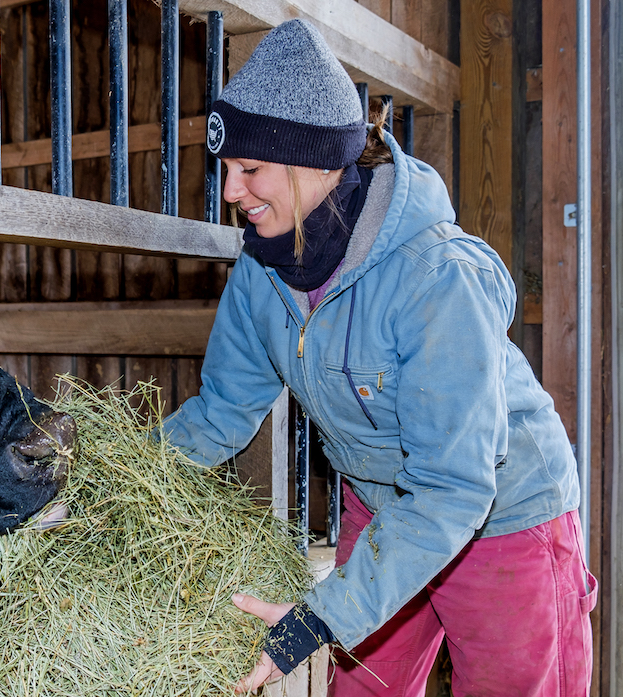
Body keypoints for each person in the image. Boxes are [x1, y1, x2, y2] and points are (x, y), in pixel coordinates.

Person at [163, 18, 597, 696]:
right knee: (364, 688)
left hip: (502, 516)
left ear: (315, 163)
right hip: (383, 504)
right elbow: (221, 410)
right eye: (225, 170)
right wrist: (117, 477)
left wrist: (323, 612)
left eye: (249, 169)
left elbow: (454, 488)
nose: (229, 193)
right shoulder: (264, 271)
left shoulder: (433, 278)